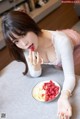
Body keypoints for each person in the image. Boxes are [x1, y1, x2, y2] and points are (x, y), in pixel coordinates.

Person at [2, 11, 80, 119]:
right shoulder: (26, 47)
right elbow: (35, 74)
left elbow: (70, 76)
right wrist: (35, 66)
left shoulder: (62, 41)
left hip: (73, 47)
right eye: (16, 41)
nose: (23, 43)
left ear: (30, 25)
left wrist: (64, 97)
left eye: (23, 34)